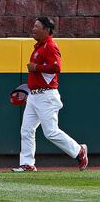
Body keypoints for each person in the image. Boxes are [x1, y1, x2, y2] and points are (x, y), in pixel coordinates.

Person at [12, 16, 89, 172]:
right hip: (35, 96)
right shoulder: (39, 47)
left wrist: (36, 67)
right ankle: (27, 164)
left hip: (46, 96)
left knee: (51, 132)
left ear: (46, 30)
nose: (33, 29)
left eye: (36, 26)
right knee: (26, 130)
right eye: (33, 26)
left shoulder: (50, 46)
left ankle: (79, 151)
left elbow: (56, 67)